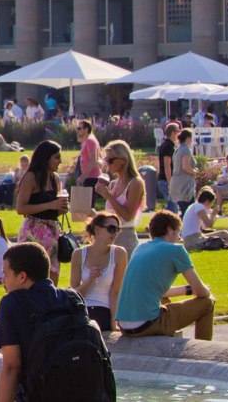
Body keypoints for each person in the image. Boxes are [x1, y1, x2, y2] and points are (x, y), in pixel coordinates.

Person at [0, 242, 116, 402]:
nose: (3, 281)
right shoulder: (73, 298)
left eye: (6, 274)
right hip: (86, 394)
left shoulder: (11, 303)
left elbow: (12, 366)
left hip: (37, 394)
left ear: (22, 276)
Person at [117, 211, 215, 340]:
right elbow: (201, 292)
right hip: (147, 325)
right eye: (179, 232)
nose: (179, 238)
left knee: (165, 301)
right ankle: (202, 347)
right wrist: (206, 290)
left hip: (124, 326)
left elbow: (153, 290)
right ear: (170, 230)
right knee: (207, 303)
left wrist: (188, 290)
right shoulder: (176, 250)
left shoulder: (140, 248)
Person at [15, 141, 68, 282]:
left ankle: (49, 297)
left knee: (53, 274)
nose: (60, 161)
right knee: (30, 275)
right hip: (33, 230)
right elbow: (21, 208)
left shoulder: (55, 178)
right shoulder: (31, 177)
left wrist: (61, 208)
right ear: (45, 158)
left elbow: (53, 210)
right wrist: (51, 204)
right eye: (56, 157)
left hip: (52, 230)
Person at [70, 211, 129, 333]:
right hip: (82, 308)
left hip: (103, 310)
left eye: (117, 230)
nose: (115, 233)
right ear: (97, 229)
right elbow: (74, 294)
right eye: (111, 229)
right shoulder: (78, 254)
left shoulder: (119, 254)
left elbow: (116, 292)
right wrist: (89, 281)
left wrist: (114, 323)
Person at [93, 140, 145, 254]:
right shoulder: (113, 184)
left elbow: (128, 216)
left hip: (125, 237)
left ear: (123, 160)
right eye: (106, 159)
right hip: (109, 236)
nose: (107, 163)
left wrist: (108, 196)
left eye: (110, 160)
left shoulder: (135, 183)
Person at [74, 121, 103, 207]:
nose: (77, 130)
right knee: (88, 205)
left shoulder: (90, 141)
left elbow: (93, 161)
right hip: (90, 176)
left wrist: (83, 176)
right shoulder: (88, 141)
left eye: (79, 128)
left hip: (91, 177)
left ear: (86, 129)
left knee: (88, 206)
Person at [171, 129, 199, 215]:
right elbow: (186, 167)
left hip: (177, 184)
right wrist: (194, 171)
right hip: (184, 186)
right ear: (188, 138)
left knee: (184, 211)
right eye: (191, 138)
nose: (191, 141)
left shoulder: (177, 150)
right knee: (189, 212)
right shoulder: (186, 150)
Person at [156, 122, 179, 212]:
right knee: (173, 208)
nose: (179, 133)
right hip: (165, 180)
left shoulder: (166, 144)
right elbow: (167, 165)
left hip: (164, 180)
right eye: (177, 131)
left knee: (171, 207)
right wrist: (170, 182)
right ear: (173, 132)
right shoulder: (168, 146)